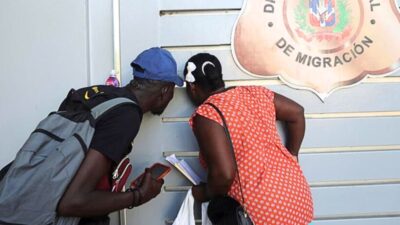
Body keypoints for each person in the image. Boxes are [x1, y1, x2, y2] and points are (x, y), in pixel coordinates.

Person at [55, 47, 183, 224]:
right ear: (165, 91)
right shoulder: (126, 116)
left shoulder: (95, 95)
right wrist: (139, 195)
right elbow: (72, 202)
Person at [184, 53, 314, 224]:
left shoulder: (207, 113)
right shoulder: (254, 93)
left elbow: (224, 175)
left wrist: (203, 192)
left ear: (192, 87)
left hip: (264, 210)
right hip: (297, 197)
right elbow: (297, 113)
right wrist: (292, 155)